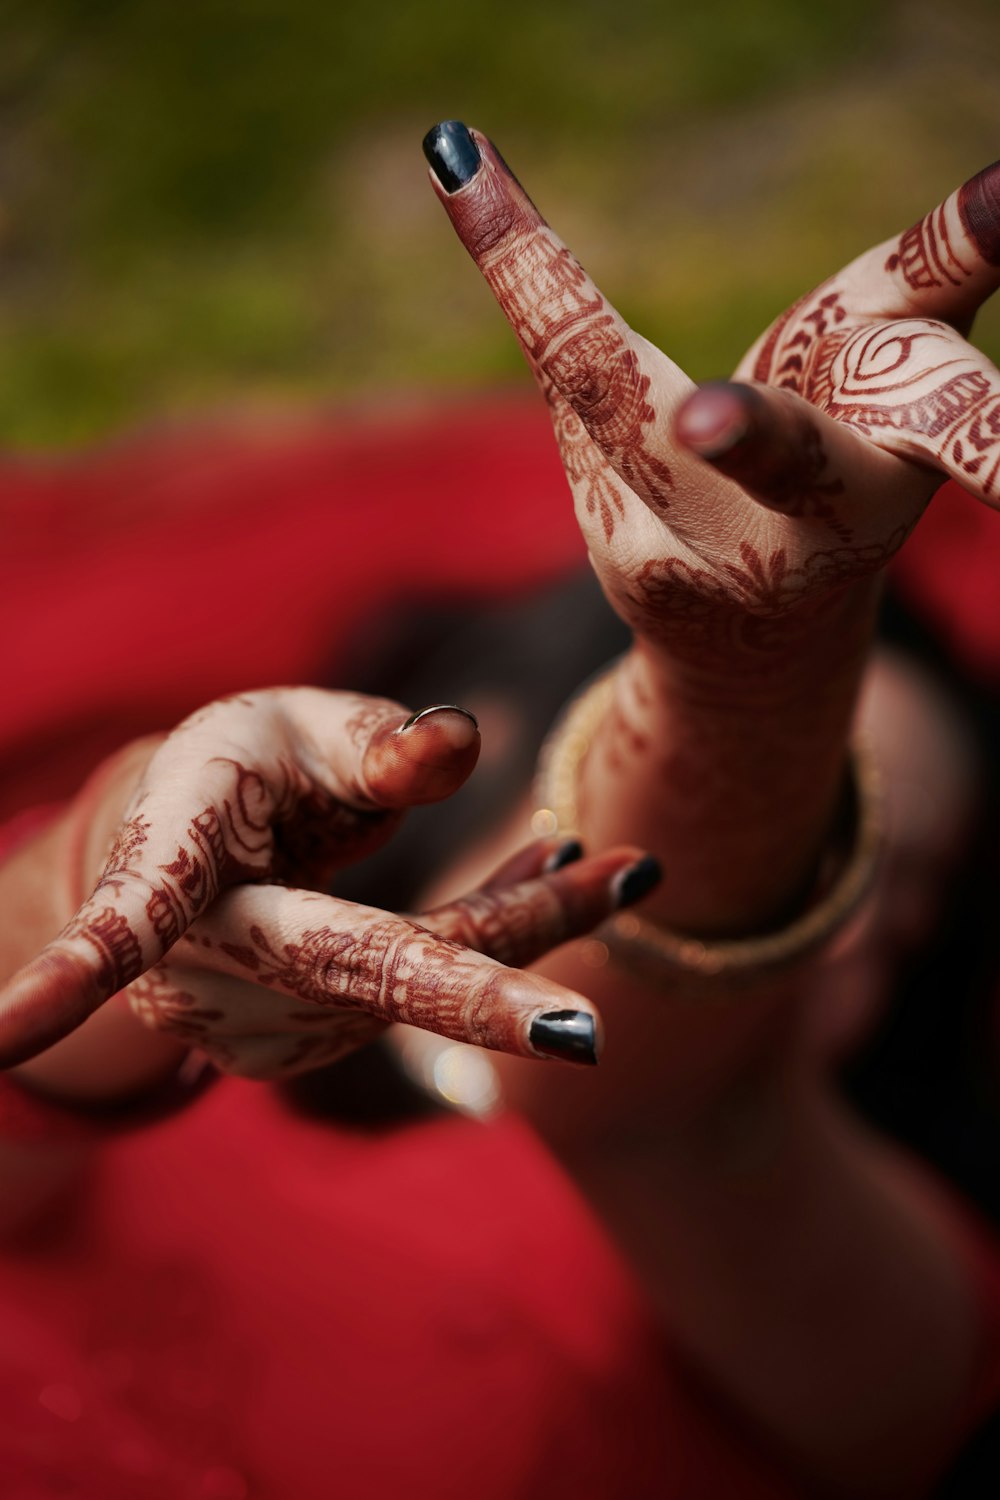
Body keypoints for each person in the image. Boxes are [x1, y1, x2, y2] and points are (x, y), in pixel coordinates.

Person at [1, 120, 1000, 1497]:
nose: (842, 926)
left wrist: (756, 682)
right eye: (839, 818)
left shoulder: (883, 1282)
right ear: (509, 732)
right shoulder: (142, 1033)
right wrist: (122, 866)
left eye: (904, 894)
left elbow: (662, 1090)